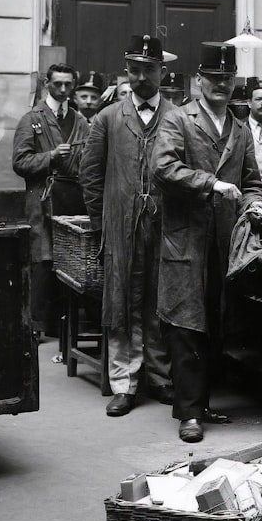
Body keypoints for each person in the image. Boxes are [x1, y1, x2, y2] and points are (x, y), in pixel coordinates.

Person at [152, 42, 262, 443]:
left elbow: (252, 182)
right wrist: (211, 183)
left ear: (234, 82)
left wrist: (258, 208)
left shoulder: (239, 126)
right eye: (213, 78)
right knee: (186, 325)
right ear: (198, 80)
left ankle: (201, 403)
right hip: (186, 240)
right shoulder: (178, 119)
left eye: (226, 78)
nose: (220, 84)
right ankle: (188, 413)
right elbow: (163, 168)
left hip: (224, 240)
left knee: (215, 324)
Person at [80, 34, 174, 417]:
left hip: (167, 227)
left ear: (162, 72)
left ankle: (161, 376)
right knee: (121, 304)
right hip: (120, 227)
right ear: (127, 71)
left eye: (148, 70)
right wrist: (103, 225)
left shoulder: (178, 117)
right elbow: (90, 175)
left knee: (162, 301)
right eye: (134, 70)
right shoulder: (107, 118)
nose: (141, 78)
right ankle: (124, 383)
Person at [12, 62, 90, 338]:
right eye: (58, 83)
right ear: (47, 83)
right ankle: (36, 327)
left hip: (73, 199)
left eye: (69, 84)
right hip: (43, 198)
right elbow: (20, 162)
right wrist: (51, 157)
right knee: (43, 260)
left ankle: (61, 329)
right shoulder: (32, 119)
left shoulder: (80, 122)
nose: (63, 89)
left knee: (69, 262)